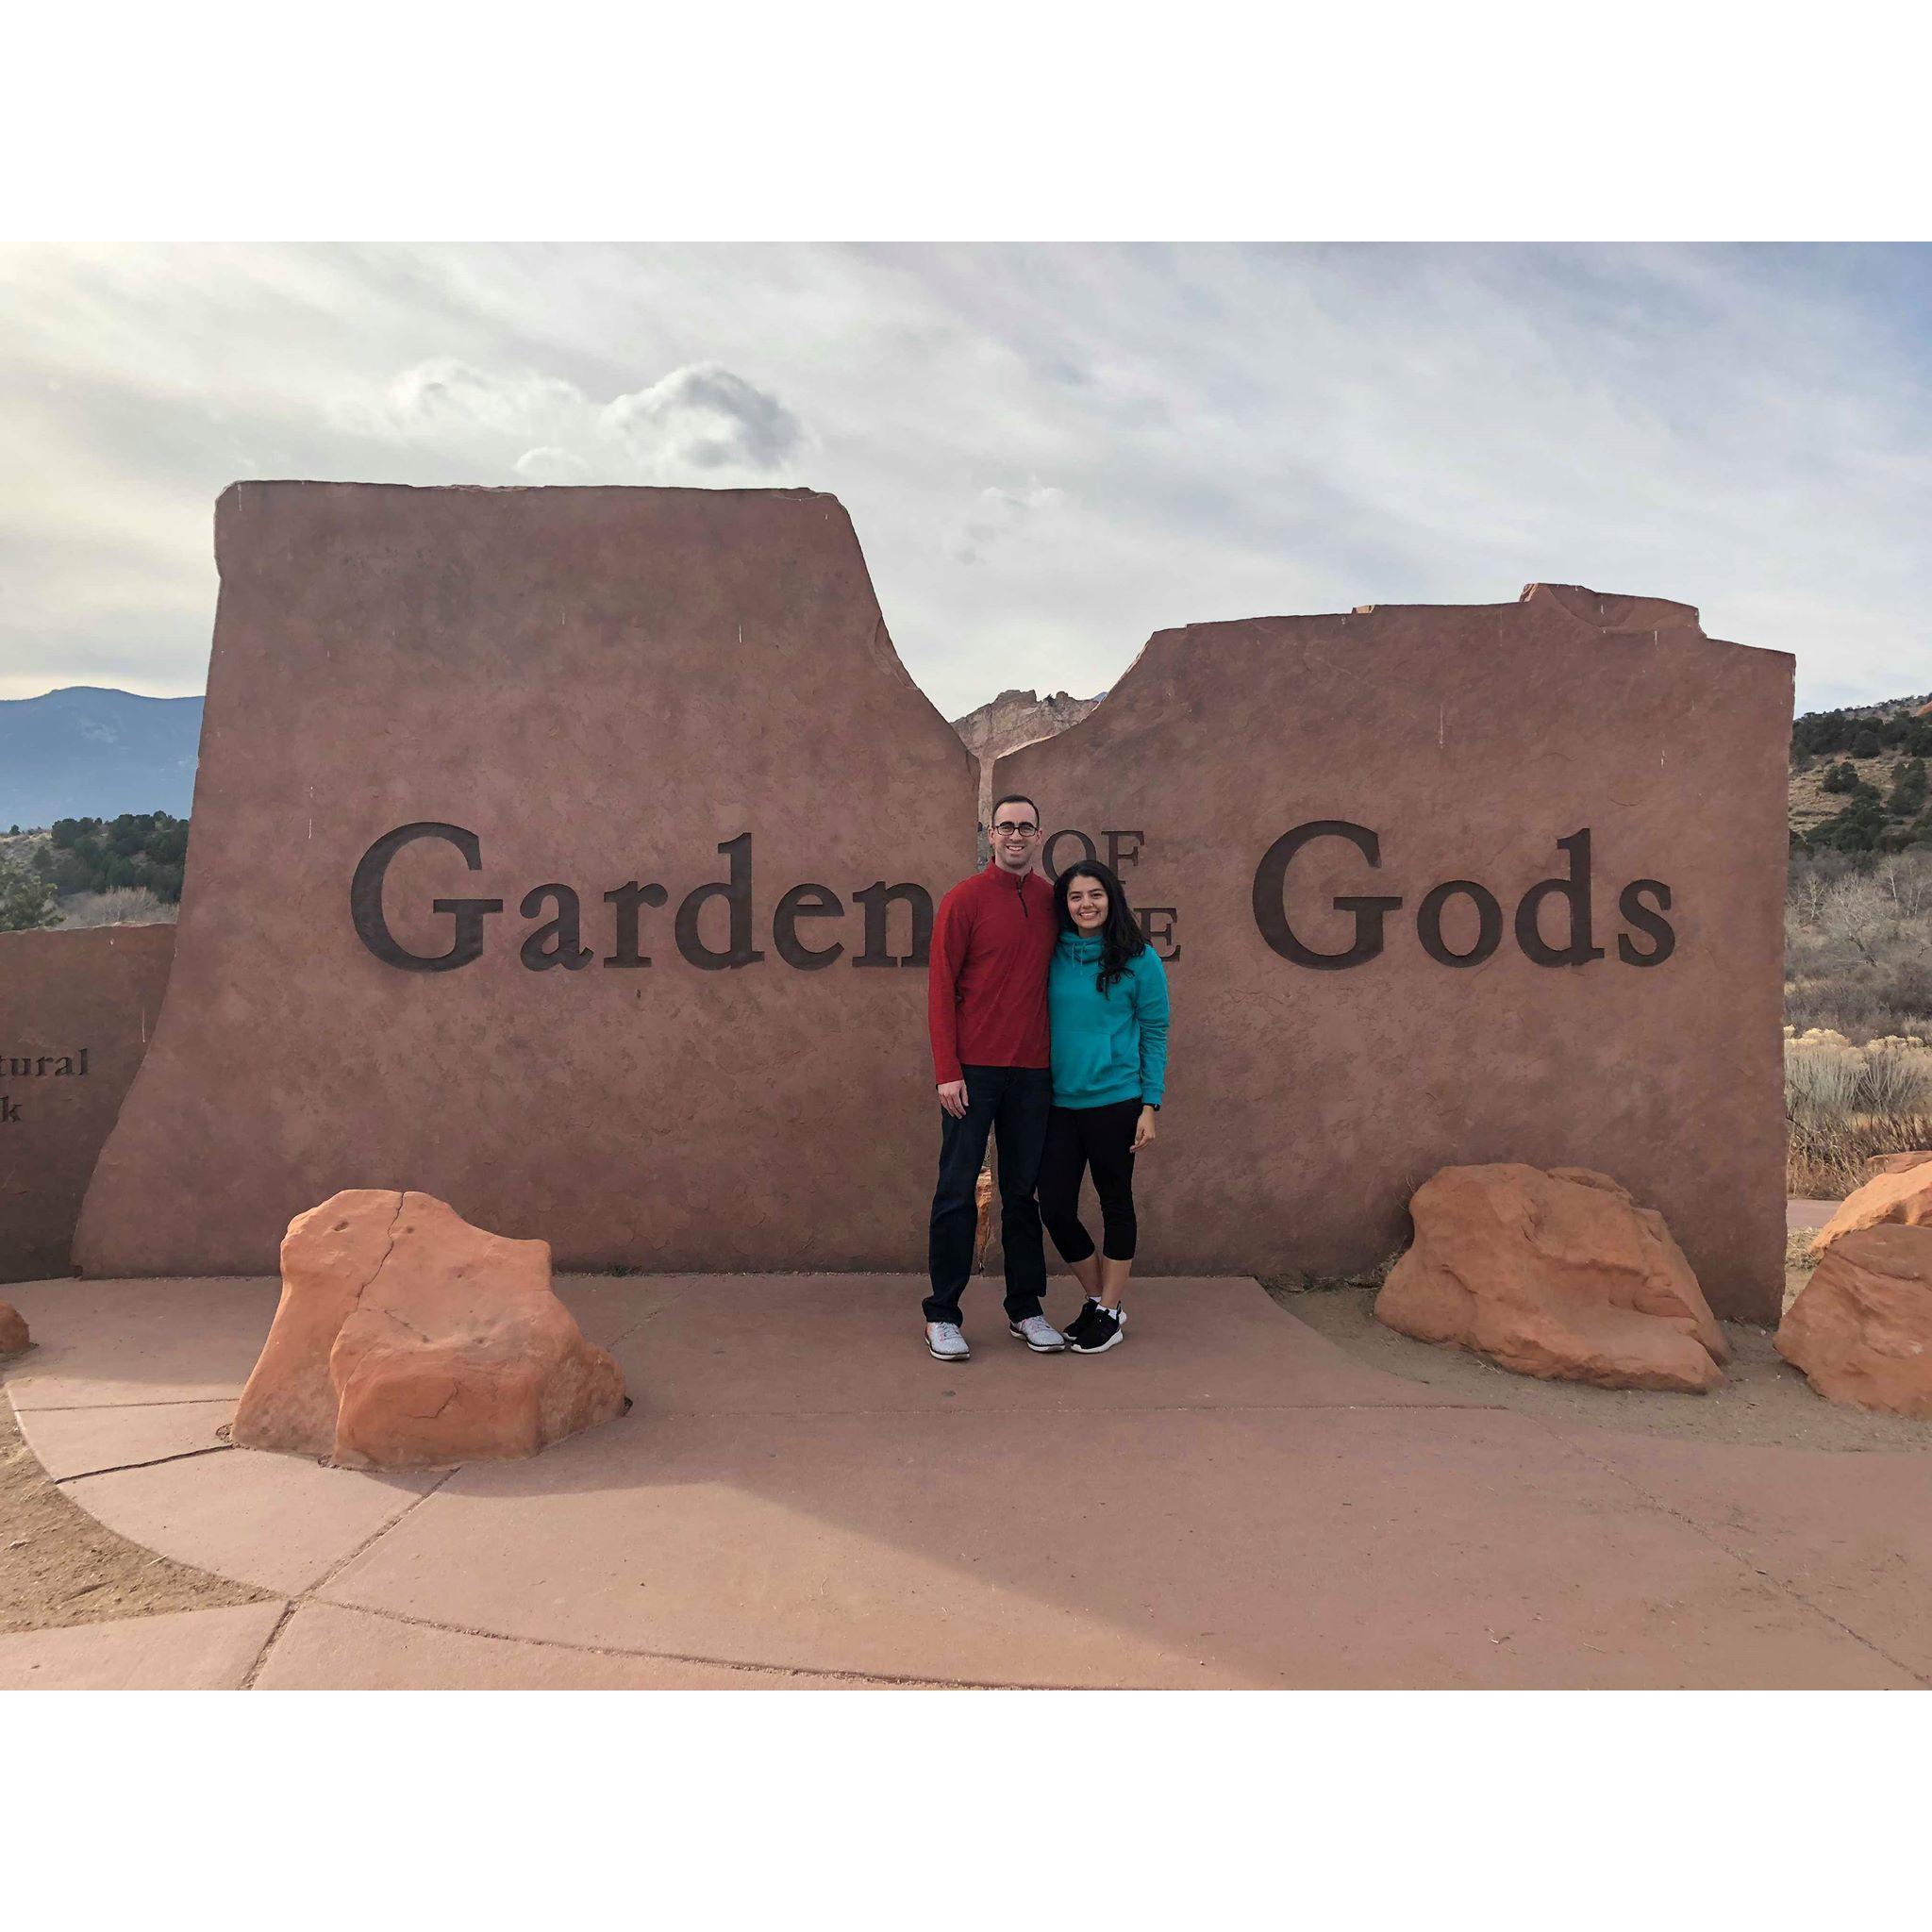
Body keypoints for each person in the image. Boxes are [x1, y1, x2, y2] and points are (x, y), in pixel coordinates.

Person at [924, 794, 1069, 1361]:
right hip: (972, 1075)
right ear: (991, 833)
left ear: (1040, 835)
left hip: (1033, 1074)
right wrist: (946, 1072)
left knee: (1022, 1194)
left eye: (1025, 827)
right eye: (1006, 826)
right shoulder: (964, 900)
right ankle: (942, 1313)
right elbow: (940, 988)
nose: (1015, 835)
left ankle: (1026, 1308)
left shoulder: (1052, 902)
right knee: (956, 1190)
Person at [1038, 858, 1170, 1355]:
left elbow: (1155, 1033)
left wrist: (1150, 1104)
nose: (1086, 904)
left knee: (1116, 1202)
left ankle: (1110, 1312)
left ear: (1111, 899)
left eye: (1095, 894)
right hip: (1058, 1104)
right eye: (1075, 897)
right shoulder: (1050, 954)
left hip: (1117, 1100)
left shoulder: (1139, 959)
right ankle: (1099, 1301)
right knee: (1054, 1207)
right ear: (1065, 905)